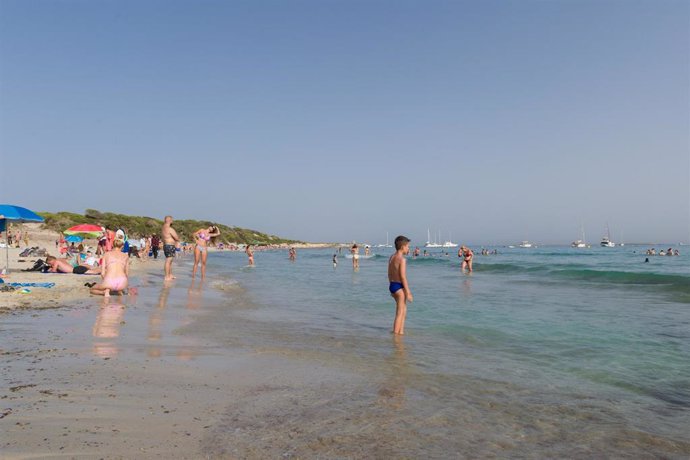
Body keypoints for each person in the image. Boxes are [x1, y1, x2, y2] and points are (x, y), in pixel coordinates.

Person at [388, 235, 413, 335]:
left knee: (404, 310)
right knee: (399, 312)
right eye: (408, 247)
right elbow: (403, 277)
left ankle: (401, 332)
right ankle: (395, 335)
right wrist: (408, 292)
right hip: (399, 287)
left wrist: (391, 287)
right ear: (403, 247)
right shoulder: (402, 260)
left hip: (393, 285)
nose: (408, 249)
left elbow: (389, 273)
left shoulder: (392, 257)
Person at [162, 216, 180, 281]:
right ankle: (167, 276)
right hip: (169, 245)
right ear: (169, 220)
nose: (172, 221)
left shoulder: (163, 228)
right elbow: (176, 237)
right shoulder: (169, 228)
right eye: (172, 220)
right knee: (168, 260)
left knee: (170, 261)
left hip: (166, 245)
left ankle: (170, 274)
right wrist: (177, 239)